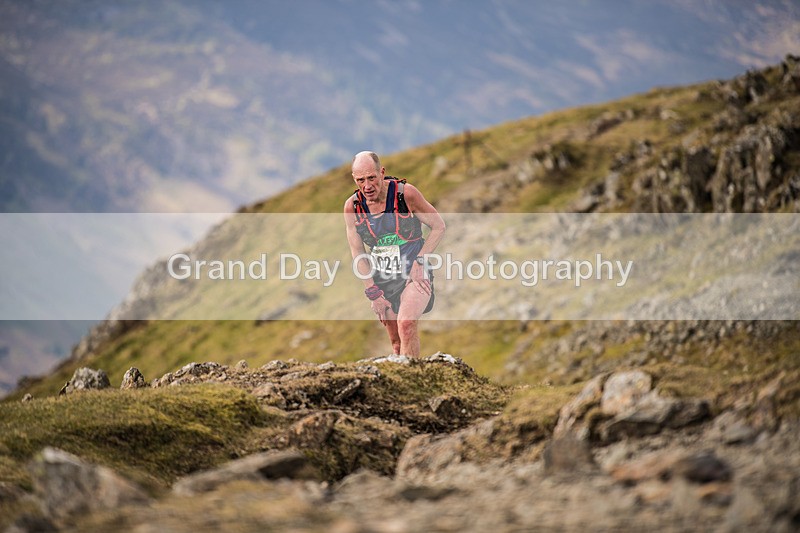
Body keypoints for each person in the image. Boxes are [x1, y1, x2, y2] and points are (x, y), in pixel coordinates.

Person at [343, 151, 445, 358]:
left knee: (406, 324)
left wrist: (420, 262)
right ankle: (406, 375)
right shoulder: (352, 207)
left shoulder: (406, 194)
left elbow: (438, 226)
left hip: (413, 273)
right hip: (383, 280)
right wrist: (372, 291)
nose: (367, 186)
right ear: (354, 179)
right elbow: (357, 251)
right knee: (396, 343)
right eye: (361, 180)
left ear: (382, 172)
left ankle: (413, 376)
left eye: (371, 178)